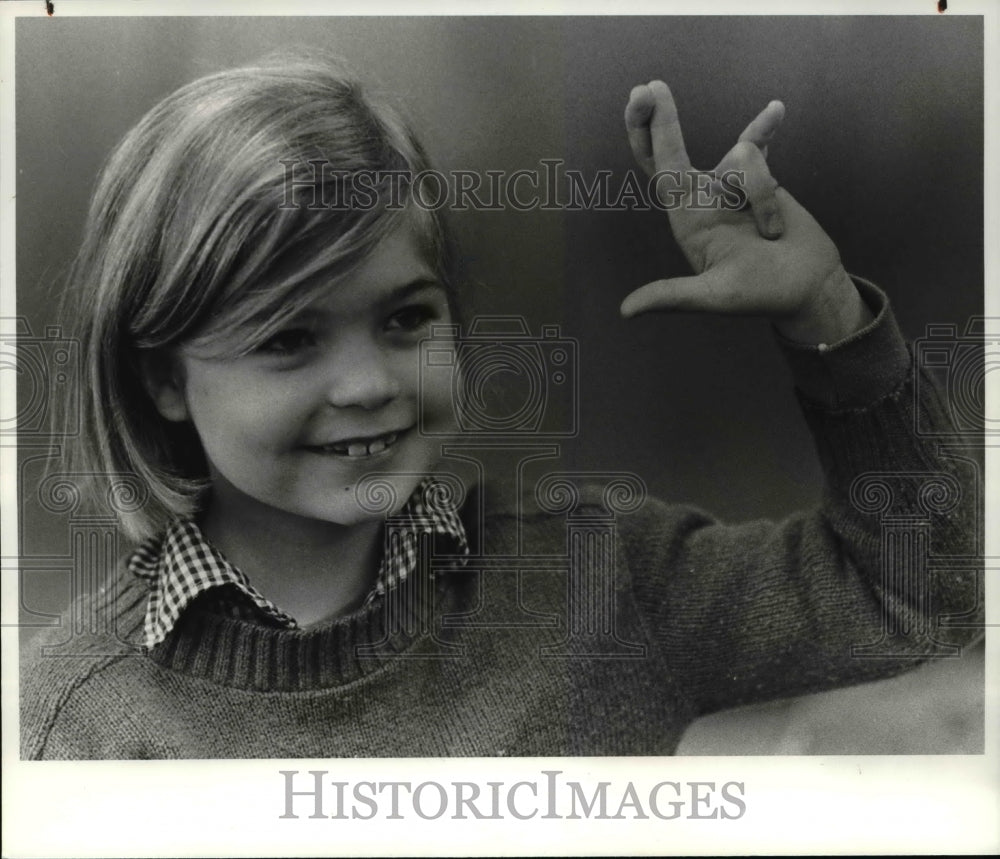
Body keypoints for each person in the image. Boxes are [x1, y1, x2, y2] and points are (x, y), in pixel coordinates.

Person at [20, 55, 981, 759]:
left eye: (404, 318)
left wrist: (827, 316)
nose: (367, 383)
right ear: (161, 376)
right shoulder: (72, 717)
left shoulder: (600, 588)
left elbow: (916, 597)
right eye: (287, 338)